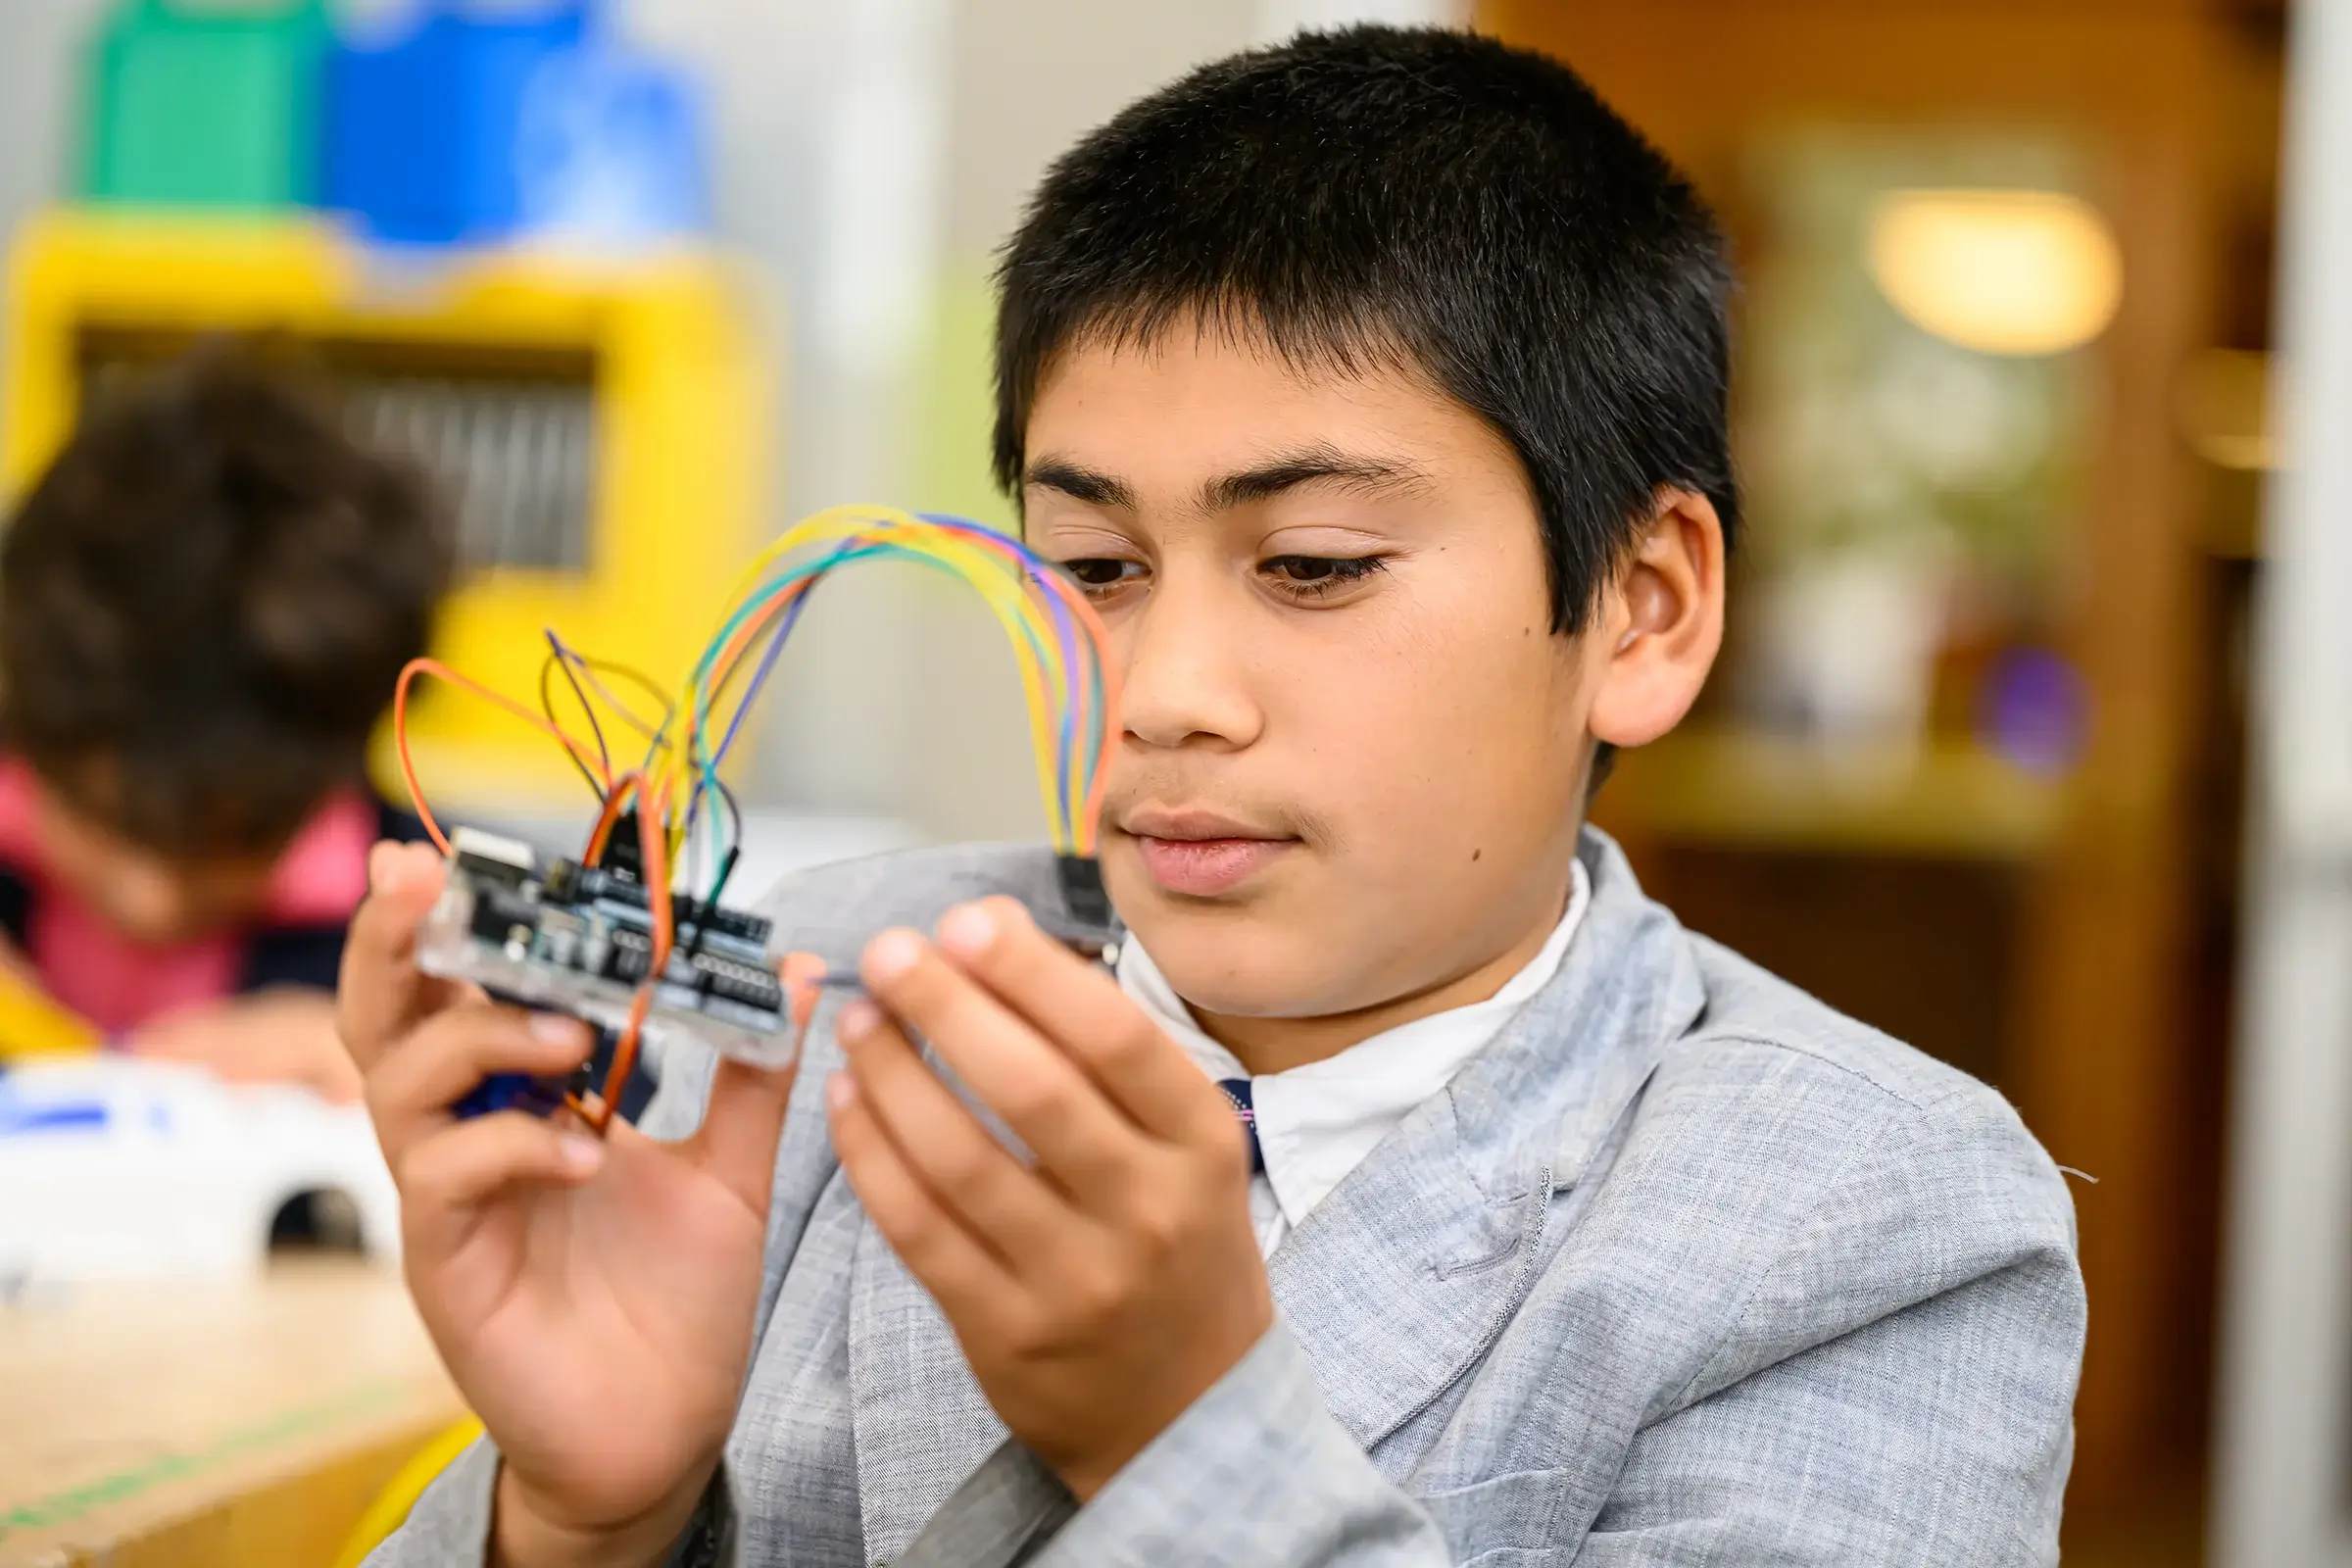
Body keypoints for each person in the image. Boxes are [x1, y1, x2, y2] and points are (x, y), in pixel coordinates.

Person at [347, 25, 2084, 1566]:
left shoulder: (1875, 1221)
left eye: (1316, 565)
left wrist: (1179, 1437)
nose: (1164, 696)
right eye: (1091, 566)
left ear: (1641, 611)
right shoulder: (821, 1007)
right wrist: (585, 1520)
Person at [0, 344, 448, 1099]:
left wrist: (397, 1080)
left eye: (229, 842)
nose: (148, 896)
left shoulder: (424, 924)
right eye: (99, 817)